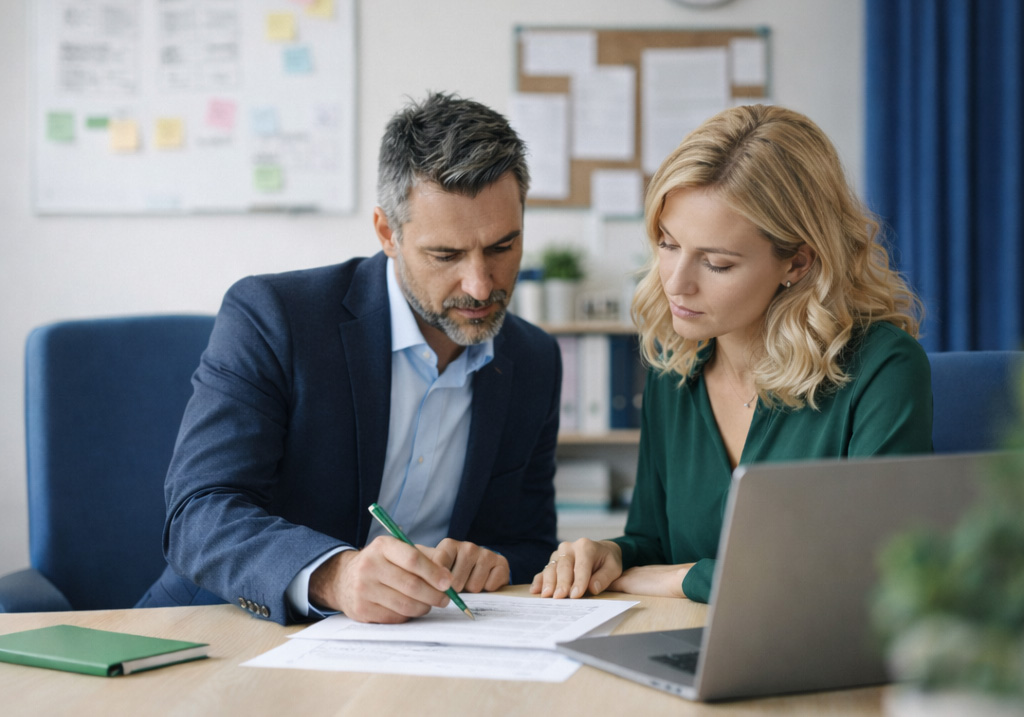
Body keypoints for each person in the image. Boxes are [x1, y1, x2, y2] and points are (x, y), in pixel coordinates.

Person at [137, 92, 561, 625]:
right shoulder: (274, 318)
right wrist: (332, 575)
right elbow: (198, 514)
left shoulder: (534, 359)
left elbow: (530, 542)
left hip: (419, 645)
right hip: (228, 631)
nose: (480, 285)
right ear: (388, 233)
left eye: (502, 248)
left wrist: (495, 563)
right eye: (445, 255)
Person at [531, 104, 932, 604]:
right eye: (668, 244)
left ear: (799, 262)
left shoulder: (882, 368)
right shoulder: (673, 366)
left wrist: (682, 578)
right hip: (682, 649)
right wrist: (613, 554)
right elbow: (655, 541)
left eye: (717, 263)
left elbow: (872, 569)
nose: (676, 283)